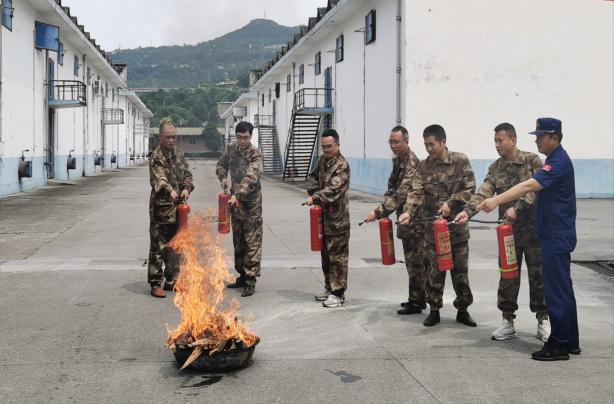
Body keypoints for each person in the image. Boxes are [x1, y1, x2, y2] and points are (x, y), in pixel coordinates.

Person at [479, 117, 579, 361]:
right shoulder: (554, 160)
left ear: (554, 137)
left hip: (555, 236)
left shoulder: (557, 162)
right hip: (554, 234)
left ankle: (558, 345)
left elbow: (528, 187)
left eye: (541, 136)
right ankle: (570, 341)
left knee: (555, 291)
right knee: (563, 290)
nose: (537, 141)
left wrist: (497, 200)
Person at [455, 123, 550, 341]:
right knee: (508, 276)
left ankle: (543, 319)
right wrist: (467, 212)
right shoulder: (495, 168)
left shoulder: (532, 160)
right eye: (495, 141)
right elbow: (484, 192)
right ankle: (508, 321)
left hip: (534, 232)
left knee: (538, 276)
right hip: (509, 234)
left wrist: (516, 208)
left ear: (513, 140)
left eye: (501, 140)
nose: (497, 145)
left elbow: (536, 190)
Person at [400, 124, 477, 327]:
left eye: (432, 144)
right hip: (432, 231)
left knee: (460, 273)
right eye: (426, 145)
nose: (429, 149)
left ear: (443, 142)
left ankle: (463, 310)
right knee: (434, 273)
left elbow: (470, 188)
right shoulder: (423, 166)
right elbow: (416, 192)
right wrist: (408, 211)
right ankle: (434, 310)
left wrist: (451, 203)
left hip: (456, 229)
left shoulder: (460, 161)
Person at [364, 126, 427, 315]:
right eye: (390, 141)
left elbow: (401, 194)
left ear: (406, 141)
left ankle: (418, 301)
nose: (392, 145)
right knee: (411, 261)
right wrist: (387, 201)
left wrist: (379, 211)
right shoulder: (399, 160)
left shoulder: (411, 164)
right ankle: (416, 298)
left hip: (414, 219)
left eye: (396, 142)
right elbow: (391, 187)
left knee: (416, 262)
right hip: (404, 218)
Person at [216, 121, 263, 297]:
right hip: (235, 205)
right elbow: (221, 165)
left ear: (251, 136)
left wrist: (238, 194)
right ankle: (242, 276)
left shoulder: (255, 154)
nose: (242, 141)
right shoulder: (231, 149)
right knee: (239, 242)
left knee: (252, 244)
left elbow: (251, 178)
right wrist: (223, 177)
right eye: (239, 137)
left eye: (246, 137)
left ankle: (250, 280)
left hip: (251, 206)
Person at [148, 119, 194, 298]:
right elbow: (159, 180)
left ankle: (172, 279)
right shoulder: (156, 157)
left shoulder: (179, 154)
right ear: (160, 137)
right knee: (158, 247)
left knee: (176, 246)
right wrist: (171, 191)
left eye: (174, 137)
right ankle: (155, 283)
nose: (172, 140)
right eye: (168, 137)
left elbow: (187, 174)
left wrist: (186, 188)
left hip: (178, 209)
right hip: (161, 210)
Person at [306, 129, 351, 308]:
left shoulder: (342, 165)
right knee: (325, 256)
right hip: (323, 219)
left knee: (337, 259)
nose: (326, 150)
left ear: (338, 145)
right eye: (323, 147)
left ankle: (338, 294)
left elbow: (334, 189)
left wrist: (316, 197)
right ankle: (329, 287)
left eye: (329, 146)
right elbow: (312, 177)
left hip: (338, 221)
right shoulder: (323, 161)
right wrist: (314, 191)